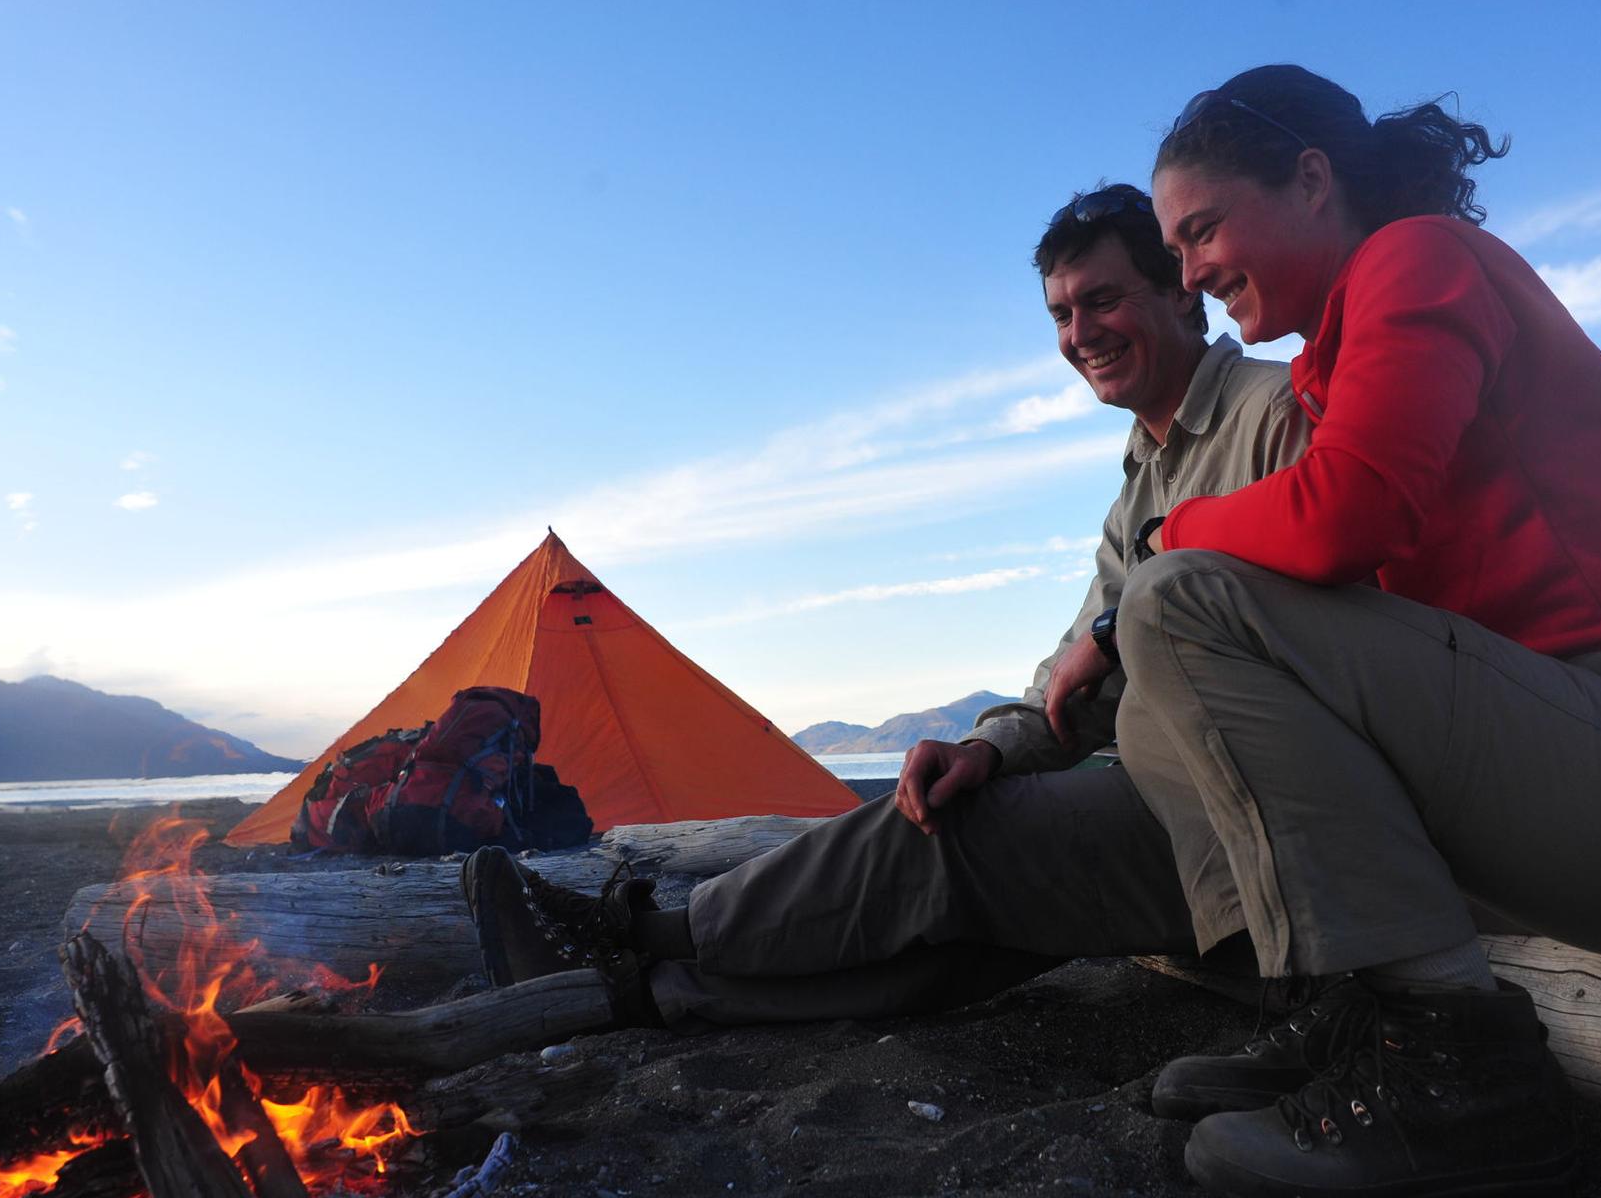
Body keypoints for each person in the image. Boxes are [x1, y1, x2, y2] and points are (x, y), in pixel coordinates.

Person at [1054, 64, 1601, 1198]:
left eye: (1200, 232)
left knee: (1178, 603)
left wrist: (1166, 542)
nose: (1187, 272)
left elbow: (1348, 514)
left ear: (1314, 179)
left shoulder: (1420, 258)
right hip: (1586, 771)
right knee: (1150, 708)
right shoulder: (1335, 362)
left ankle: (1459, 1072)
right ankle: (1350, 1014)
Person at [462, 182, 1308, 1040]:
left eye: (1102, 301)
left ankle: (635, 935)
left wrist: (1096, 660)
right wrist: (985, 745)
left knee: (957, 841)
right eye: (1060, 314)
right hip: (1183, 809)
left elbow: (1302, 644)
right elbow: (1072, 686)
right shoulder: (1148, 468)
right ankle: (649, 996)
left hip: (1252, 822)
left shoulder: (1271, 417)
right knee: (963, 928)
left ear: (1179, 290)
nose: (1079, 335)